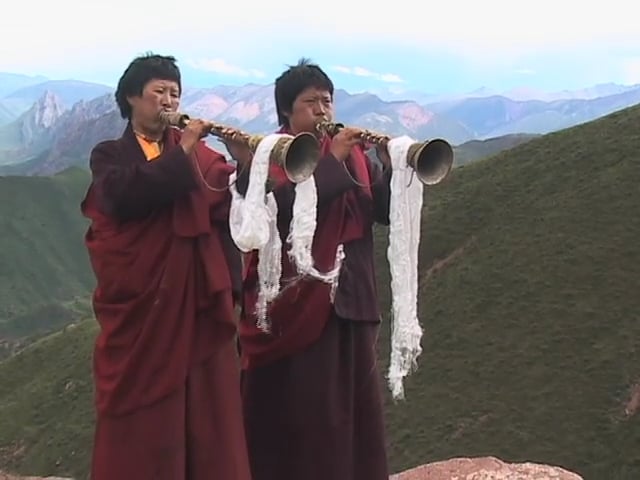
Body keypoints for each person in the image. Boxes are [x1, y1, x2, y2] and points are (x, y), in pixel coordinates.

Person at [80, 53, 252, 480]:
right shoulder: (110, 154)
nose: (169, 101)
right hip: (144, 310)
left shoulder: (203, 158)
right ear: (131, 98)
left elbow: (229, 205)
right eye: (159, 92)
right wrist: (187, 151)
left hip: (193, 304)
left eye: (175, 93)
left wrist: (245, 163)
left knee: (206, 408)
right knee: (144, 413)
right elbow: (122, 197)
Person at [231, 58, 393, 480]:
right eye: (311, 103)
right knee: (308, 414)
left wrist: (391, 165)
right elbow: (277, 211)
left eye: (327, 101)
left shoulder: (357, 154)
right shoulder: (271, 153)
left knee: (354, 413)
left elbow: (381, 211)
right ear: (287, 111)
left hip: (351, 297)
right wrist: (332, 161)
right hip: (295, 303)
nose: (323, 111)